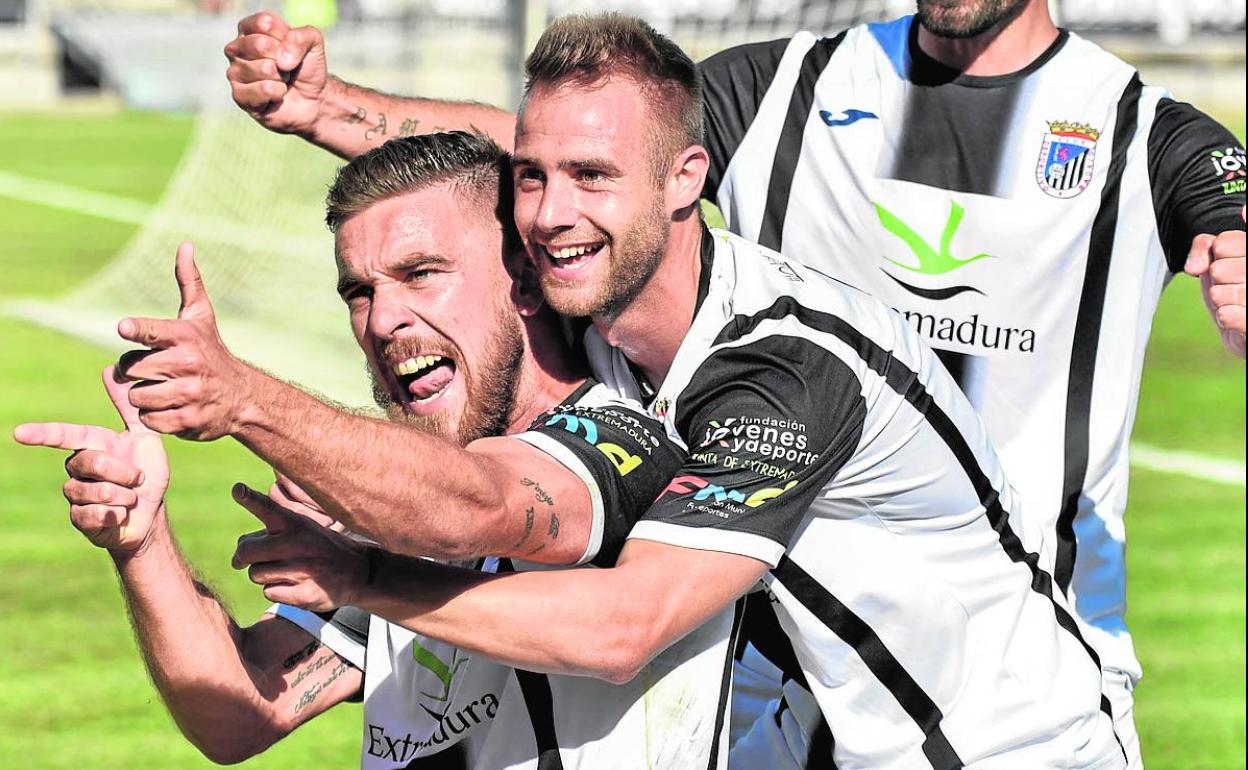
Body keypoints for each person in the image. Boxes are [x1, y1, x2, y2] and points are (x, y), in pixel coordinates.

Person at [225, 4, 1247, 766]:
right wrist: (334, 111)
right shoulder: (771, 100)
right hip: (811, 707)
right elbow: (570, 147)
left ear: (689, 182)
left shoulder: (785, 365)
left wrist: (365, 576)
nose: (550, 210)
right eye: (536, 183)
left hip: (1014, 732)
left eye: (583, 184)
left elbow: (620, 626)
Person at [13, 131, 739, 770]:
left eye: (421, 273)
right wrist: (142, 543)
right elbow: (239, 714)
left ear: (524, 279)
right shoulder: (398, 503)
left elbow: (479, 505)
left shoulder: (629, 438)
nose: (384, 319)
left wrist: (246, 401)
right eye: (358, 292)